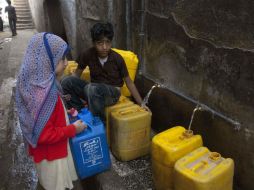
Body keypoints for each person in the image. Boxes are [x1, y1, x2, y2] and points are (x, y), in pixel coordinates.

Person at [15, 33, 86, 190]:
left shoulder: (38, 84)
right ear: (46, 61)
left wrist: (66, 113)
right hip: (53, 157)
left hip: (47, 155)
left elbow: (48, 116)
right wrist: (74, 129)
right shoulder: (45, 96)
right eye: (62, 59)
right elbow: (45, 134)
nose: (67, 63)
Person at [61, 22, 149, 121]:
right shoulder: (87, 54)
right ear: (94, 43)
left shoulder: (117, 58)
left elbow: (129, 82)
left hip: (111, 94)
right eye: (100, 43)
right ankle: (80, 115)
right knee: (66, 82)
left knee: (91, 88)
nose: (104, 47)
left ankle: (98, 122)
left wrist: (141, 103)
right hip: (93, 91)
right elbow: (76, 75)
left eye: (107, 42)